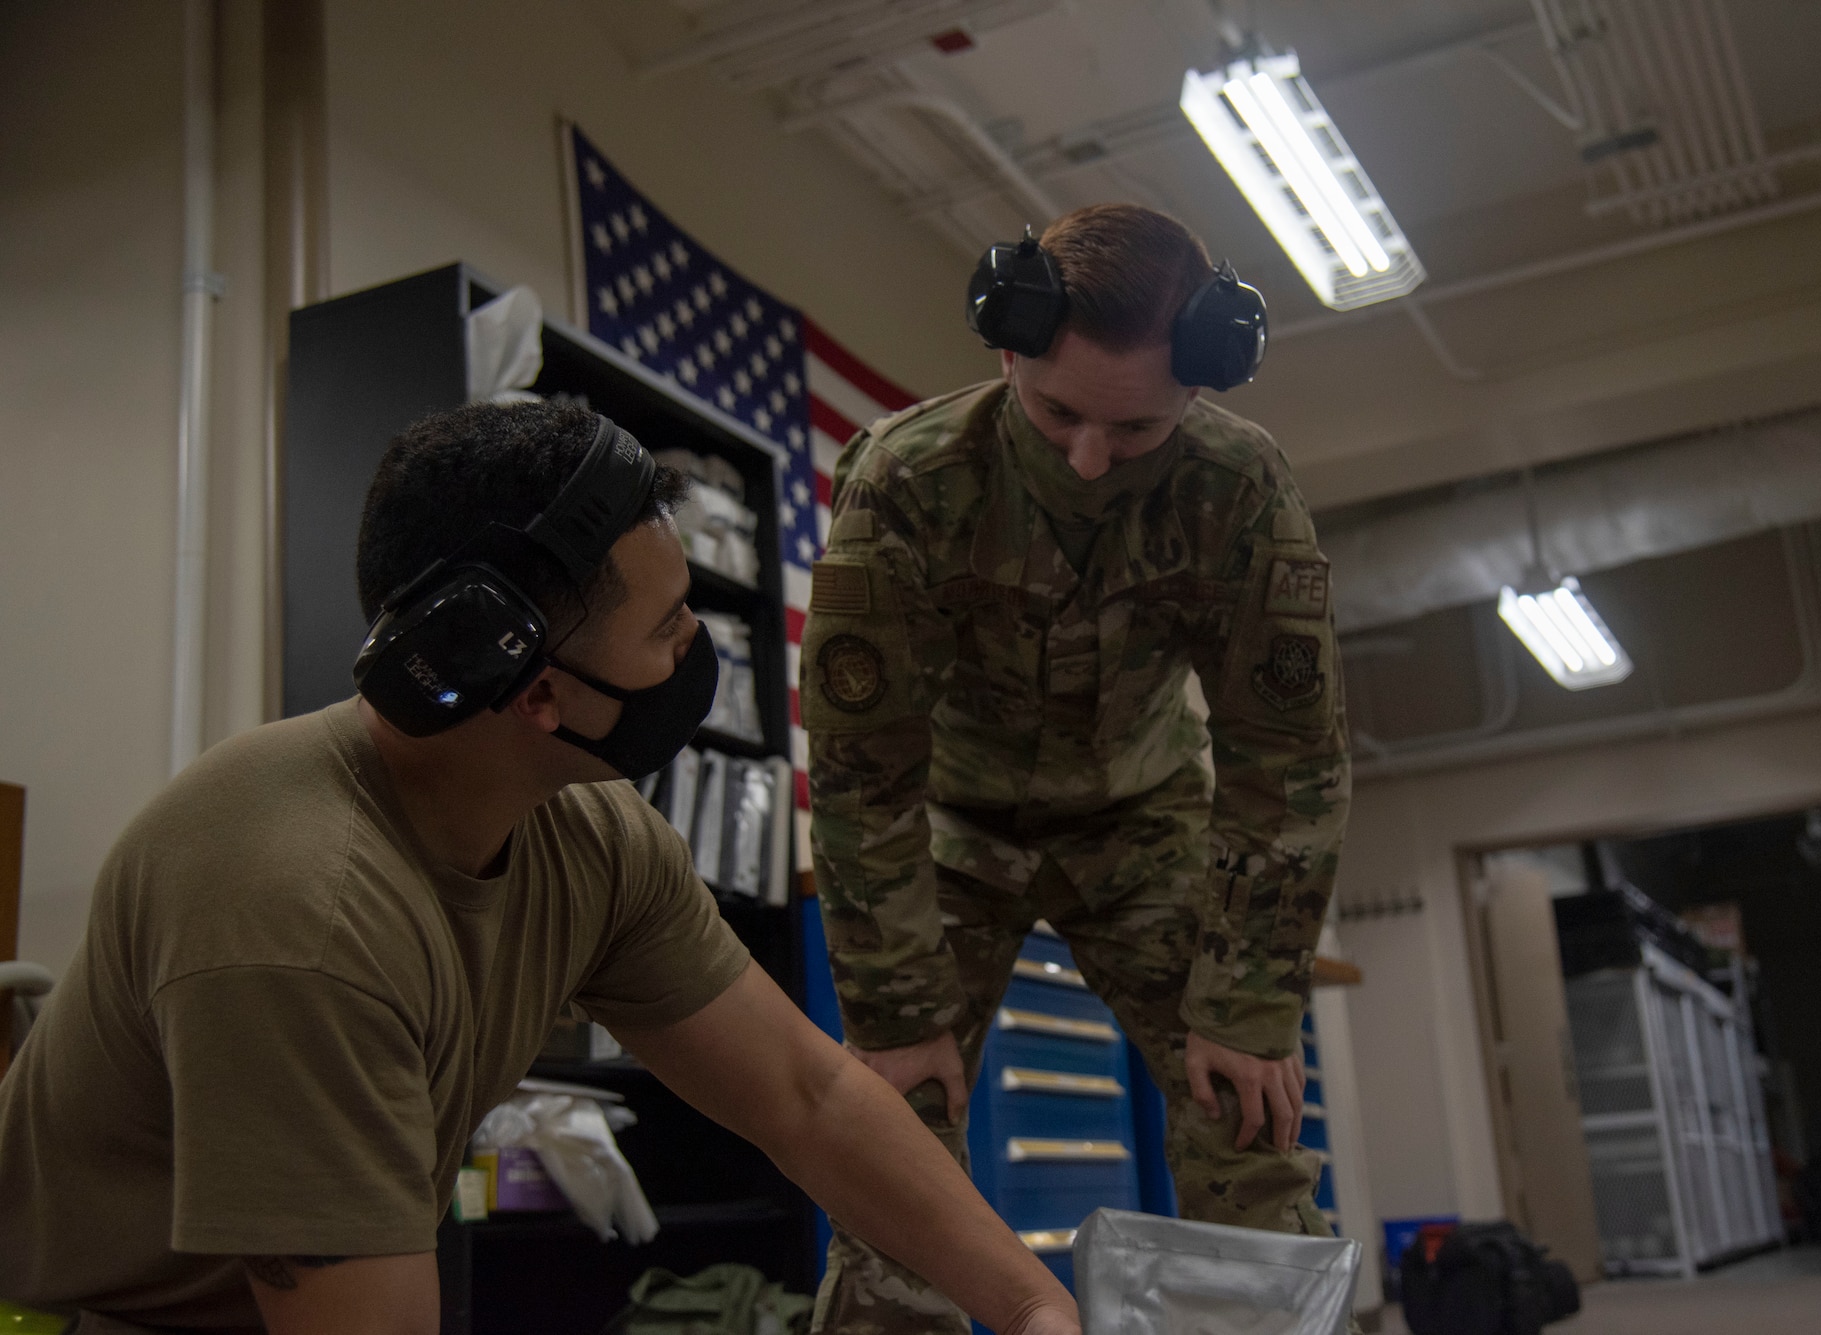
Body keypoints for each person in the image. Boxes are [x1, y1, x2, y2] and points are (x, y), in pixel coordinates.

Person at [0, 402, 1081, 1335]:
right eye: (664, 629)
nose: (689, 651)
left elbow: (805, 1097)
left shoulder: (588, 830)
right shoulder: (303, 912)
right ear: (529, 689)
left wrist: (1029, 1303)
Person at [801, 203, 1350, 1335]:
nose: (1090, 459)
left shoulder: (1239, 491)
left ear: (1197, 390)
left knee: (1243, 1120)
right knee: (893, 1139)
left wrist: (1244, 1009)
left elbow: (1283, 763)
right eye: (1054, 414)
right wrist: (898, 1014)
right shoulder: (907, 482)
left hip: (1141, 819)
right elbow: (864, 777)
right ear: (1007, 348)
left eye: (1135, 430)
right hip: (950, 826)